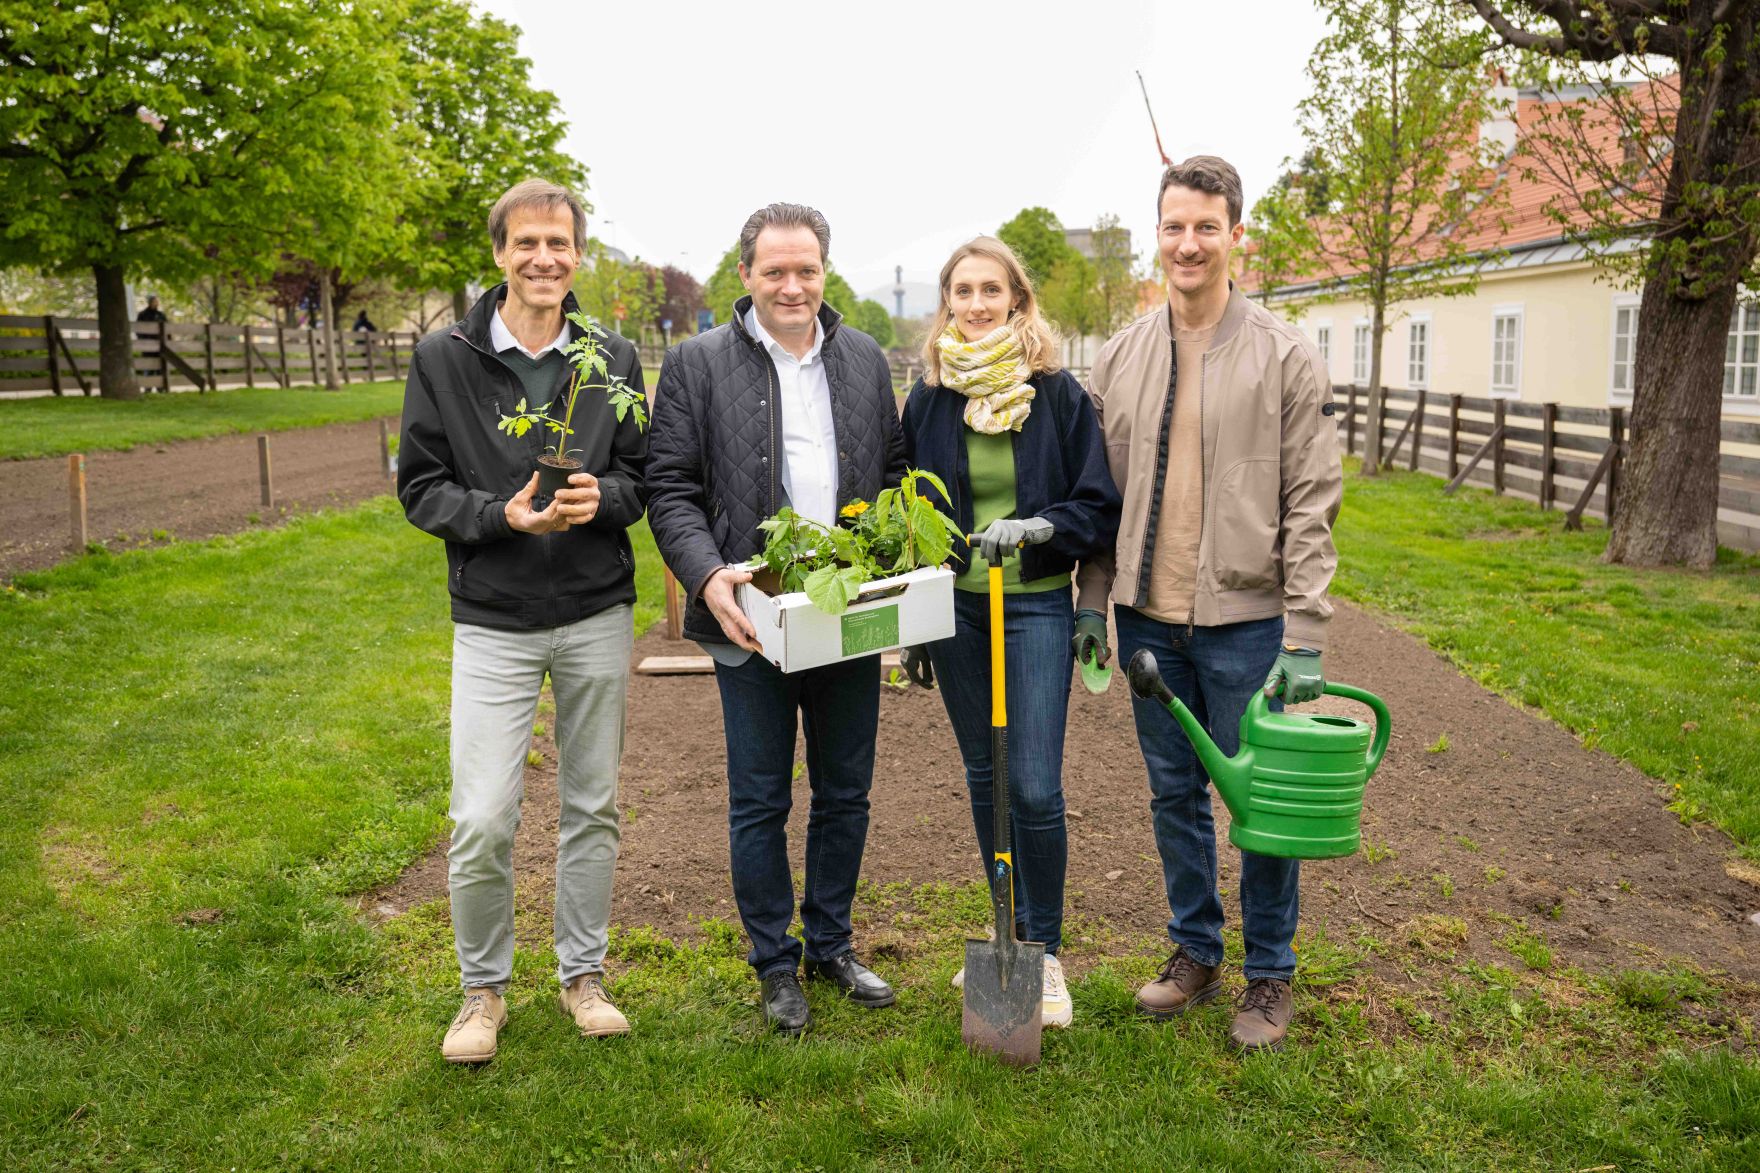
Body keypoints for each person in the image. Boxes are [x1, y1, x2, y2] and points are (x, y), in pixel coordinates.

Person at [1074, 156, 1342, 1053]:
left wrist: (1304, 632)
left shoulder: (1284, 355)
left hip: (1248, 624)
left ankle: (1271, 969)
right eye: (1174, 226)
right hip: (1151, 618)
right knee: (1173, 794)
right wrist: (1094, 602)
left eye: (1206, 227)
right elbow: (1096, 499)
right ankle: (1196, 947)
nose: (1189, 244)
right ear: (1159, 235)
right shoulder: (1121, 355)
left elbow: (1312, 501)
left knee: (1261, 803)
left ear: (1237, 234)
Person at [397, 178, 649, 1063]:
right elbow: (420, 488)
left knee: (593, 803)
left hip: (593, 611)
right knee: (482, 815)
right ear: (500, 253)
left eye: (561, 243)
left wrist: (601, 496)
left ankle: (583, 975)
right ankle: (481, 991)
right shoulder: (446, 356)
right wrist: (499, 518)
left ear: (578, 255)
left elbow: (642, 477)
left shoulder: (610, 356)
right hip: (495, 616)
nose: (545, 258)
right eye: (527, 243)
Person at [646, 202, 907, 1036]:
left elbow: (893, 472)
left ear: (825, 272)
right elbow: (670, 488)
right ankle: (773, 962)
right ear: (747, 275)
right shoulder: (697, 364)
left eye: (807, 270)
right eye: (775, 271)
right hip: (748, 616)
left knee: (846, 791)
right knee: (760, 798)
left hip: (842, 613)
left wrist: (893, 571)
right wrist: (707, 574)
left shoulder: (865, 358)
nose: (792, 286)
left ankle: (831, 942)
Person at [895, 237, 1119, 1029]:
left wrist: (1037, 527)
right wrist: (913, 623)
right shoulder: (928, 400)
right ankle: (1004, 937)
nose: (978, 302)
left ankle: (1046, 950)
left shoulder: (1055, 394)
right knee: (984, 779)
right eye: (964, 290)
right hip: (956, 611)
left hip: (1032, 606)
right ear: (947, 303)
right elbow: (905, 504)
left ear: (1018, 300)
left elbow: (1096, 505)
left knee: (1032, 785)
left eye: (994, 289)